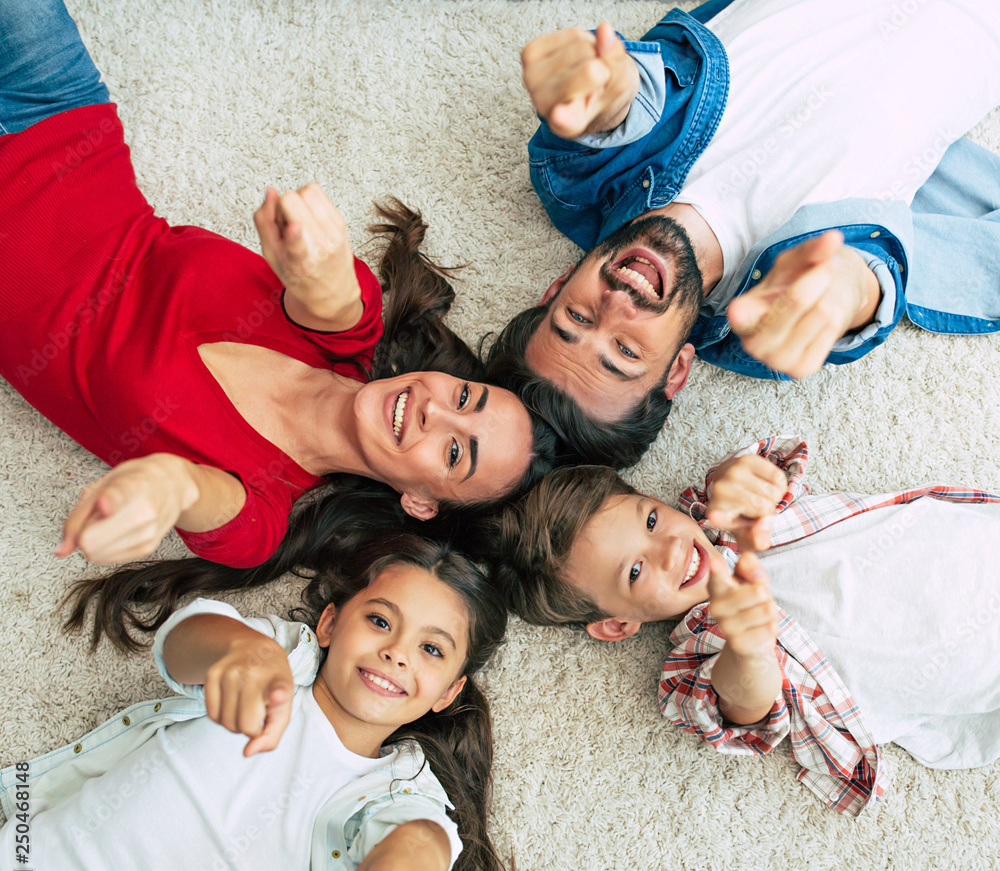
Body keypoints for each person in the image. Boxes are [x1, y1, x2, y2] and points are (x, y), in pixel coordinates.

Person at [0, 0, 555, 571]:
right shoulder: (352, 328)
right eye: (464, 397)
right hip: (49, 110)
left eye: (456, 451)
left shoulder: (260, 517)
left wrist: (158, 490)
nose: (435, 412)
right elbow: (328, 291)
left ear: (420, 503)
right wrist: (316, 261)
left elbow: (185, 490)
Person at [0, 535, 531, 871]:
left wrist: (408, 870)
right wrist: (240, 648)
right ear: (329, 624)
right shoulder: (284, 660)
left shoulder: (397, 789)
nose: (396, 652)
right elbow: (182, 643)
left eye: (432, 649)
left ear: (449, 692)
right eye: (378, 620)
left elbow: (425, 836)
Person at [484, 0, 1000, 466]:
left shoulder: (578, 182)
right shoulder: (762, 323)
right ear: (676, 371)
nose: (619, 303)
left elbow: (620, 108)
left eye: (576, 316)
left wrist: (601, 89)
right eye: (625, 351)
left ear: (555, 288)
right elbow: (866, 283)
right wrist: (847, 290)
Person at [492, 437, 1000, 815]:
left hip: (962, 546)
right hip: (968, 657)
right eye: (635, 571)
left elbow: (767, 468)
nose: (670, 549)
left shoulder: (721, 517)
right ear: (616, 624)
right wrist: (750, 650)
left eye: (650, 521)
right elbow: (742, 708)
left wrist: (743, 475)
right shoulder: (697, 652)